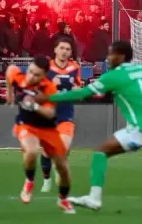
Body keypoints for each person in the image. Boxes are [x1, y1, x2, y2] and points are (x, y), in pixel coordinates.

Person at [36, 40, 142, 214]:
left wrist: (50, 98)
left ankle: (94, 198)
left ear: (121, 56)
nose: (108, 58)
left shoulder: (114, 76)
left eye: (111, 54)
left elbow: (83, 93)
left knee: (101, 151)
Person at [6, 56, 75, 213]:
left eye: (37, 75)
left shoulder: (49, 88)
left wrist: (34, 105)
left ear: (44, 75)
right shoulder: (20, 77)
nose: (31, 76)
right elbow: (10, 70)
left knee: (63, 168)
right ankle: (29, 181)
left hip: (48, 130)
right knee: (31, 151)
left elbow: (50, 113)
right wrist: (9, 94)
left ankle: (63, 199)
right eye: (30, 71)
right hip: (27, 125)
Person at [39, 38, 82, 194]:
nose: (64, 51)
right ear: (55, 50)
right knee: (46, 151)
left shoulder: (74, 67)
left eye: (67, 49)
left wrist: (78, 90)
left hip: (66, 113)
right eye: (62, 48)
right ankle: (46, 179)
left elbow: (78, 86)